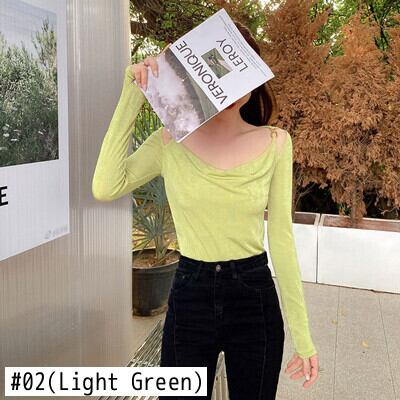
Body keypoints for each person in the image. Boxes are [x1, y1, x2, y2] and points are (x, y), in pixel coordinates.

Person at [92, 20, 319, 400]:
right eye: (217, 69)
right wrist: (133, 93)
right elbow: (106, 186)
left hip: (253, 296)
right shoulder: (169, 141)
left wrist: (304, 336)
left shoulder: (276, 143)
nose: (230, 84)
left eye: (240, 71)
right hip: (190, 294)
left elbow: (281, 238)